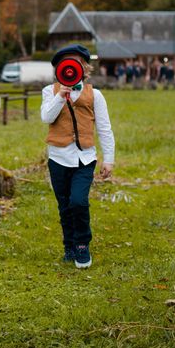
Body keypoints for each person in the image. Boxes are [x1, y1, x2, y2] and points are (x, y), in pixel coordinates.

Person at [40, 44, 115, 269]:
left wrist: (108, 158)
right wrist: (61, 95)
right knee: (64, 205)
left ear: (84, 67)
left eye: (77, 63)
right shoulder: (49, 91)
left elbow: (104, 128)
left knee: (78, 201)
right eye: (66, 63)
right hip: (58, 158)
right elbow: (46, 117)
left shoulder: (96, 95)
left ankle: (82, 244)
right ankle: (69, 246)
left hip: (85, 159)